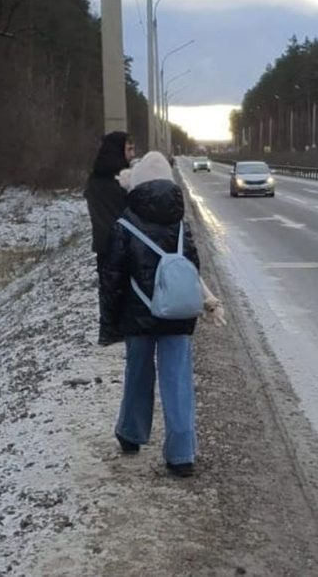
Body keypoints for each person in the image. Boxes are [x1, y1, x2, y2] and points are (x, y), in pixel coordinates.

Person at [98, 150, 204, 477]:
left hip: (137, 316)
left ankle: (131, 434)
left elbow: (112, 278)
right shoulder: (181, 223)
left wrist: (110, 323)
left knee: (138, 376)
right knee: (178, 382)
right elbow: (192, 270)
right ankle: (182, 454)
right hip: (177, 315)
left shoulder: (124, 224)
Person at [84, 131, 135, 275]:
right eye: (129, 149)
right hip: (121, 250)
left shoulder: (95, 179)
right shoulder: (116, 183)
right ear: (117, 150)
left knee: (108, 293)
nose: (132, 154)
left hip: (105, 249)